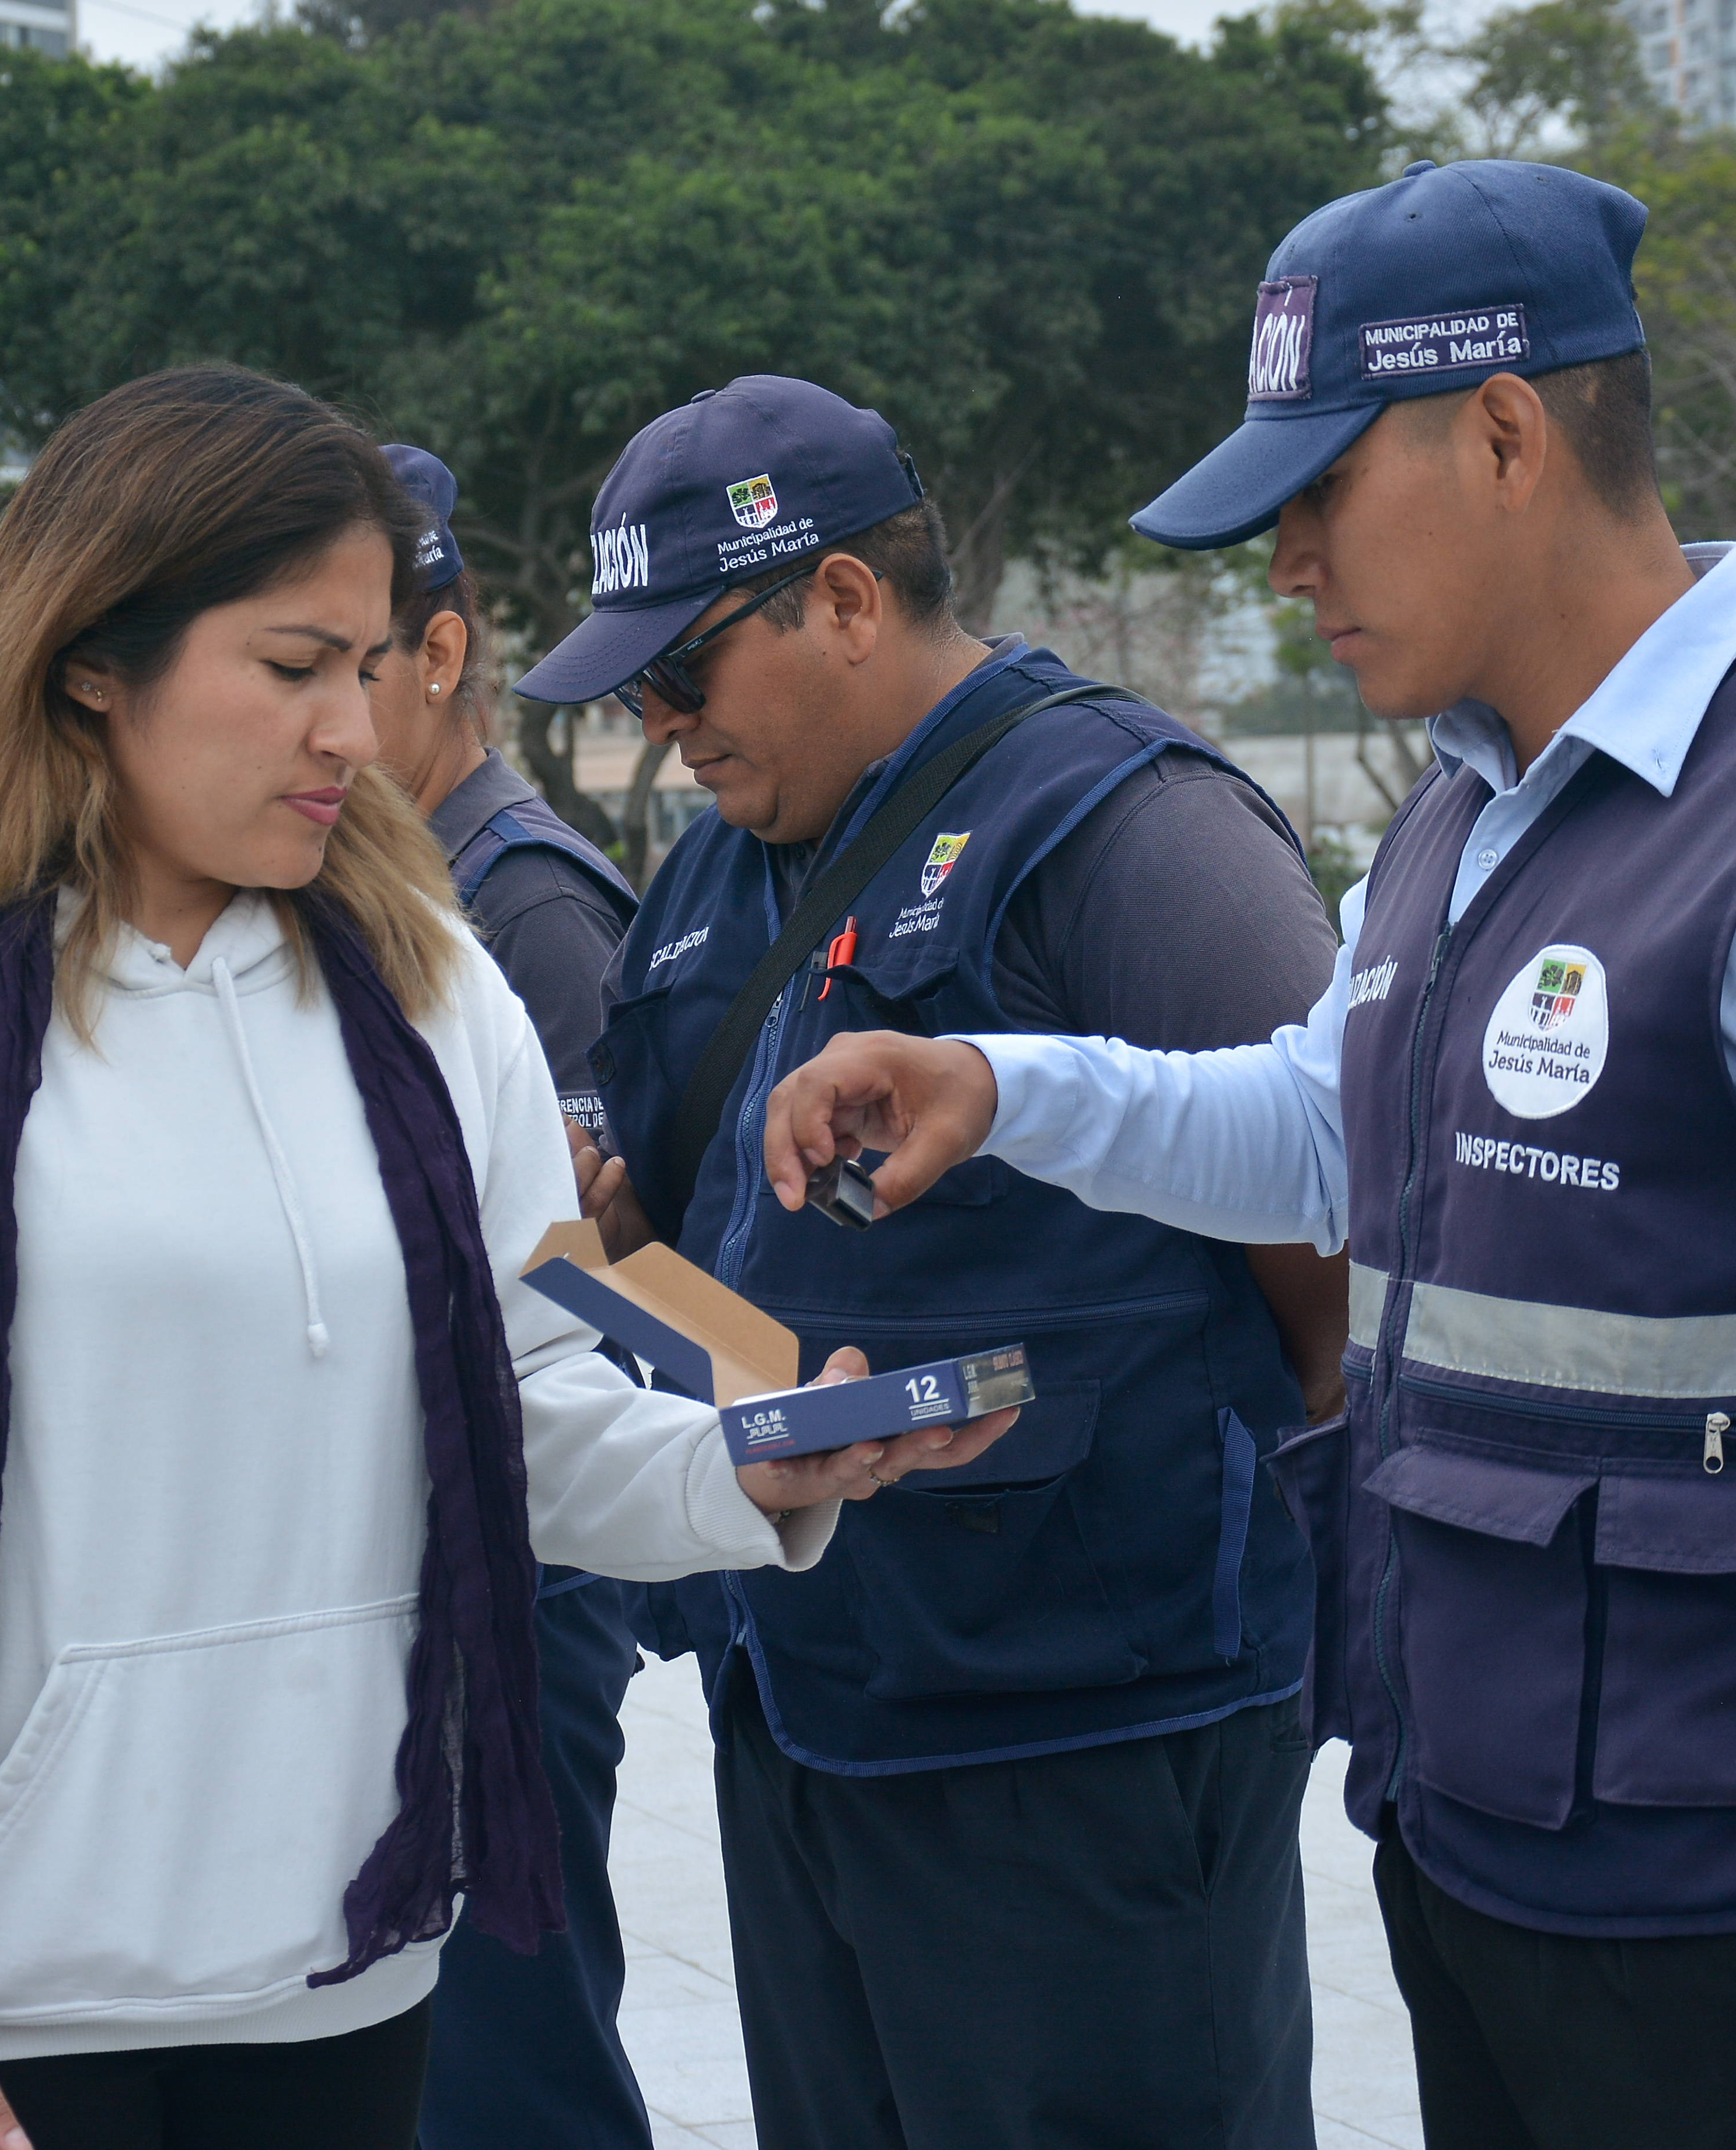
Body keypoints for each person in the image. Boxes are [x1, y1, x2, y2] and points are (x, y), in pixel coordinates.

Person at [757, 160, 1736, 2150]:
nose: (1285, 568)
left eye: (1313, 495)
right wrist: (1002, 1087)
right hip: (1473, 1846)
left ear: (1504, 433)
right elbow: (1317, 1130)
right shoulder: (1456, 823)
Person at [0, 365, 1017, 2150]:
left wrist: (748, 1463)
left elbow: (527, 1395)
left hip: (354, 1960)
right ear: (89, 658)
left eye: (366, 667)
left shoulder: (434, 986)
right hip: (2, 1996)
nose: (352, 734)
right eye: (291, 667)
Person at [522, 374, 1349, 2149]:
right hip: (815, 1711)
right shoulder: (712, 880)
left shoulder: (1126, 826)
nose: (664, 727)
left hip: (1085, 1745)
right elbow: (697, 1269)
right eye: (639, 689)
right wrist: (608, 1255)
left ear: (842, 600)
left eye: (685, 672)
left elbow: (1337, 1247)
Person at [371, 443, 653, 2150]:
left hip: (523, 1580)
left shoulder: (524, 912)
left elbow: (621, 1276)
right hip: (407, 1581)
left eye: (345, 659)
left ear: (444, 651)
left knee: (513, 2073)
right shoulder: (388, 895)